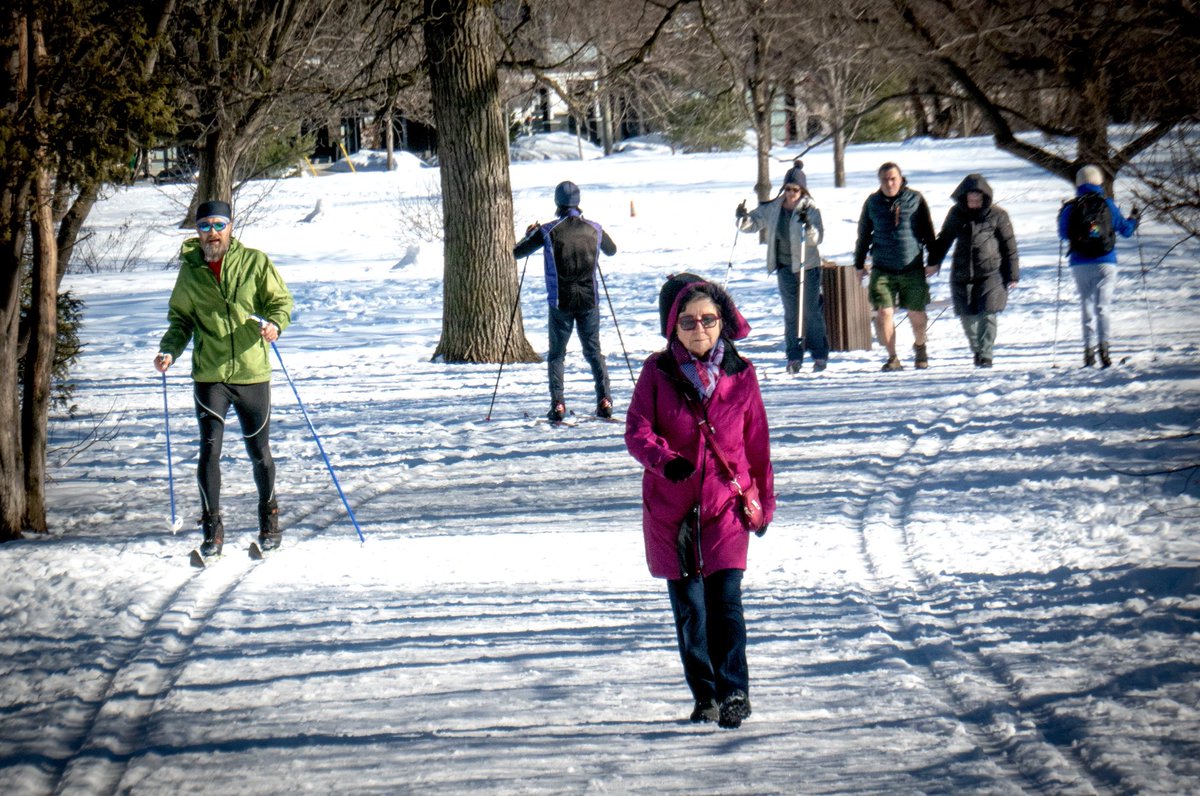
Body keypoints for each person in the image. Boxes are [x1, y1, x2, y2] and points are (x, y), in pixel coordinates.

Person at [624, 274, 775, 729]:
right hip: (673, 514)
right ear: (674, 327)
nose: (699, 329)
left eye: (708, 320)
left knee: (726, 604)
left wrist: (763, 503)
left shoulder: (741, 374)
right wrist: (664, 461)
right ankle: (705, 696)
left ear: (722, 322)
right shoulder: (657, 371)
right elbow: (637, 431)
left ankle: (735, 693)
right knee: (692, 611)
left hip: (726, 507)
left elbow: (758, 445)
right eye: (688, 322)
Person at [154, 200, 294, 559]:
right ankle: (212, 531)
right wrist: (170, 350)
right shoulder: (190, 271)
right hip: (210, 374)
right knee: (209, 451)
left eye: (219, 225)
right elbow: (181, 320)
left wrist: (275, 325)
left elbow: (281, 302)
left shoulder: (255, 262)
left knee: (259, 451)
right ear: (197, 231)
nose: (212, 233)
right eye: (204, 226)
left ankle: (269, 521)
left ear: (231, 227)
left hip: (251, 372)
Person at [513, 181, 616, 421]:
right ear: (578, 203)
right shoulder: (595, 228)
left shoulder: (548, 230)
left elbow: (518, 252)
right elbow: (611, 250)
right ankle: (605, 399)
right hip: (589, 299)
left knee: (557, 355)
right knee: (594, 352)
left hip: (561, 301)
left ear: (557, 203)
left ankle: (558, 404)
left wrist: (529, 234)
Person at [736, 177, 829, 373]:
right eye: (788, 188)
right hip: (785, 266)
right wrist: (742, 218)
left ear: (802, 190)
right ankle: (794, 356)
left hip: (807, 265)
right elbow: (754, 222)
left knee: (811, 311)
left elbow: (817, 238)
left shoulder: (810, 208)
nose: (791, 193)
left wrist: (808, 226)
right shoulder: (775, 206)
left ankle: (819, 354)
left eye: (795, 189)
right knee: (791, 313)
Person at [927, 174, 1020, 368]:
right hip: (962, 272)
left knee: (988, 313)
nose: (974, 203)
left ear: (985, 198)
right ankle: (977, 349)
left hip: (991, 272)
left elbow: (1008, 245)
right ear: (964, 198)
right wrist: (934, 262)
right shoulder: (956, 214)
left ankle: (986, 354)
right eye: (971, 200)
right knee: (967, 316)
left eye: (978, 200)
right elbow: (944, 239)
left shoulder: (998, 215)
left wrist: (1012, 273)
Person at [853, 162, 937, 371]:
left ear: (901, 179)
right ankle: (892, 357)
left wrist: (933, 260)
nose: (889, 183)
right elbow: (863, 235)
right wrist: (859, 264)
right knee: (884, 313)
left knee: (916, 314)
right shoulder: (873, 203)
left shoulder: (915, 199)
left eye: (893, 179)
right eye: (885, 179)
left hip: (912, 266)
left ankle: (920, 346)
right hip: (882, 267)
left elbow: (928, 231)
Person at [1057, 164, 1139, 368]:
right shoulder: (1108, 204)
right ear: (1099, 182)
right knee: (1103, 307)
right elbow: (1126, 230)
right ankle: (1105, 350)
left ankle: (1088, 353)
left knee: (1086, 305)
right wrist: (1134, 219)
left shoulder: (1070, 207)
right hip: (1106, 261)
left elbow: (1063, 234)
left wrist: (1062, 215)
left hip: (1079, 263)